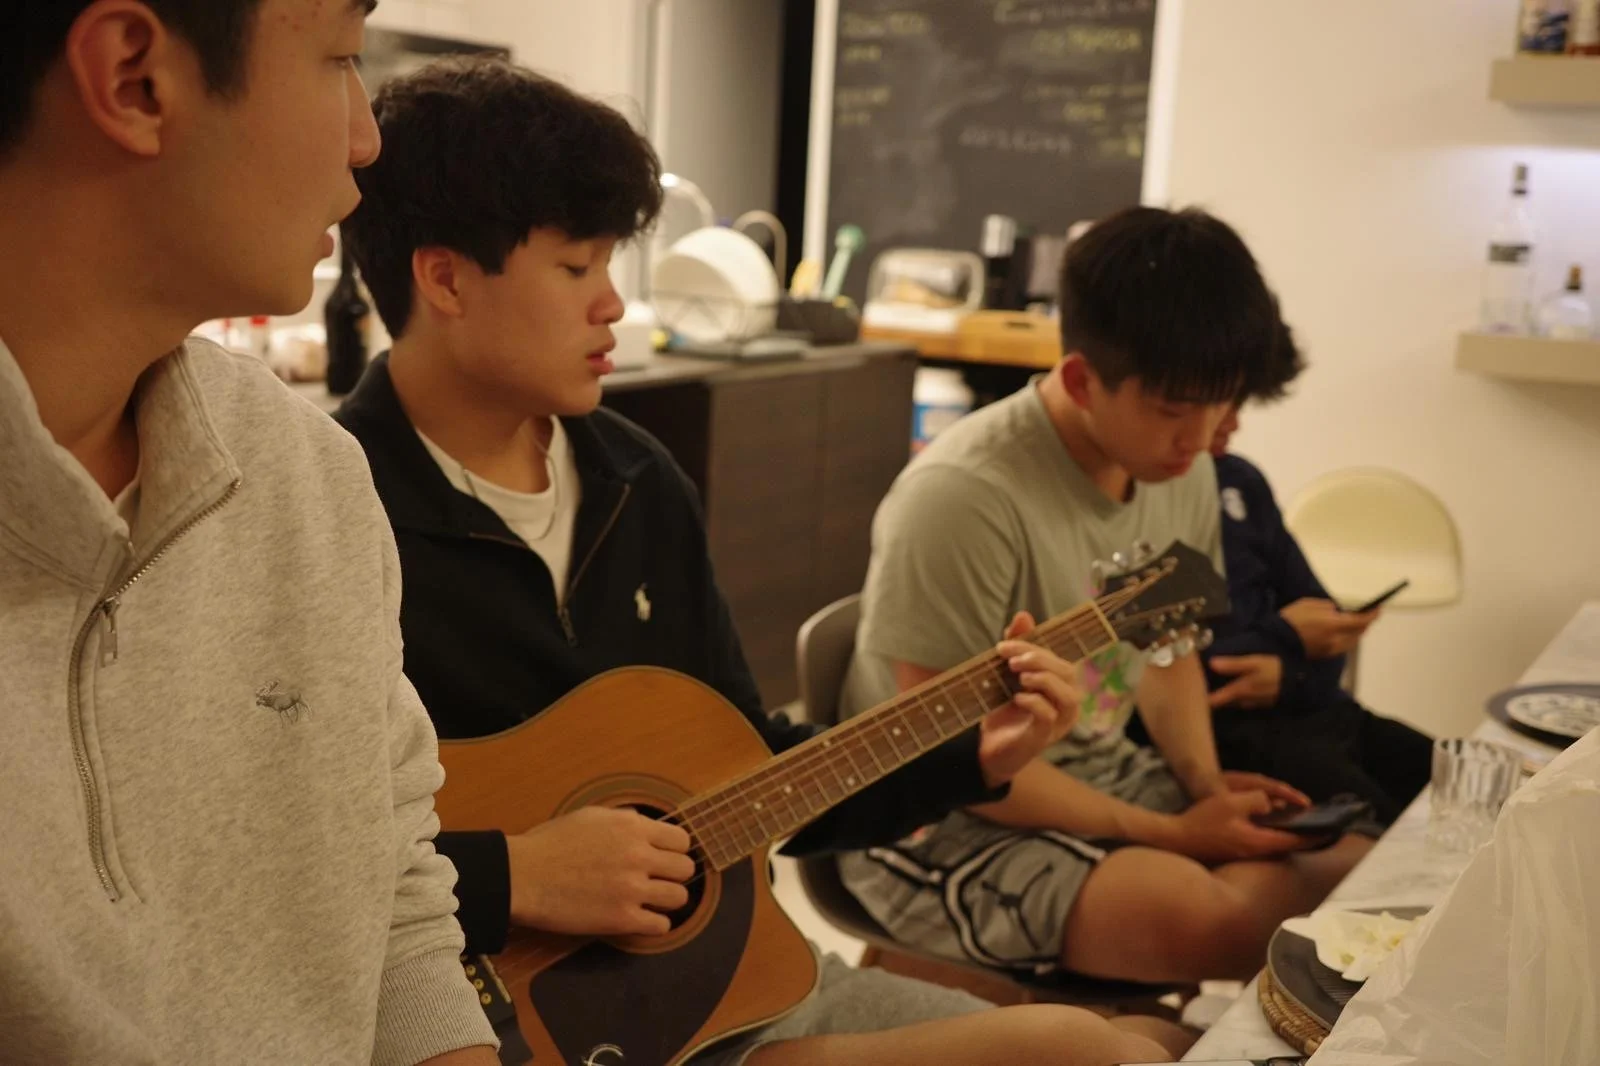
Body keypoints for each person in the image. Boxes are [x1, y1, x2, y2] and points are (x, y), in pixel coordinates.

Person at [334, 56, 1186, 1065]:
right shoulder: (334, 512)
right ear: (444, 279)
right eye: (577, 268)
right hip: (493, 1026)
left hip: (718, 991)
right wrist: (511, 874)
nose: (613, 305)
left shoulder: (633, 479)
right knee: (1085, 1050)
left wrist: (973, 755)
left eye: (613, 265)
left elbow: (749, 767)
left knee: (1142, 1039)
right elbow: (277, 857)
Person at [0, 3, 496, 1063]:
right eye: (340, 59)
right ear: (136, 78)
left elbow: (397, 896)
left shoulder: (303, 475)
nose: (366, 136)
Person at [838, 207, 1374, 986]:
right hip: (933, 822)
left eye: (1220, 406)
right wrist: (1175, 834)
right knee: (1220, 919)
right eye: (1173, 409)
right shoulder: (964, 496)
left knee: (1359, 879)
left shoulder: (1178, 470)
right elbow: (949, 761)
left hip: (1100, 777)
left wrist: (1208, 791)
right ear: (1084, 380)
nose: (1201, 440)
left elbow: (1169, 656)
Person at [1200, 396, 1433, 827]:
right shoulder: (1154, 499)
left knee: (1482, 788)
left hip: (1326, 709)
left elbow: (1327, 629)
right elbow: (1193, 673)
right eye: (1219, 400)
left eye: (1240, 399)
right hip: (1250, 740)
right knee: (1400, 838)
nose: (1233, 421)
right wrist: (1289, 640)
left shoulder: (1240, 479)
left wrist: (1293, 673)